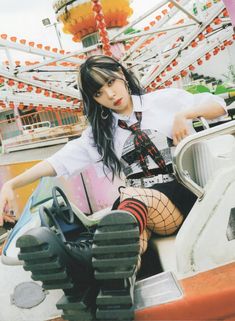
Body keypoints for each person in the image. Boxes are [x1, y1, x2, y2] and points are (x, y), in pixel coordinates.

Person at [0, 55, 227, 320]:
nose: (110, 94)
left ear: (121, 73)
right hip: (139, 210)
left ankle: (85, 257)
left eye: (111, 82)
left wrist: (185, 114)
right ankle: (107, 293)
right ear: (94, 99)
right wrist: (12, 183)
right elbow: (57, 162)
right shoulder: (101, 133)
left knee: (128, 203)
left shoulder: (163, 101)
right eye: (99, 92)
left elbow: (219, 106)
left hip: (178, 199)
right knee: (128, 243)